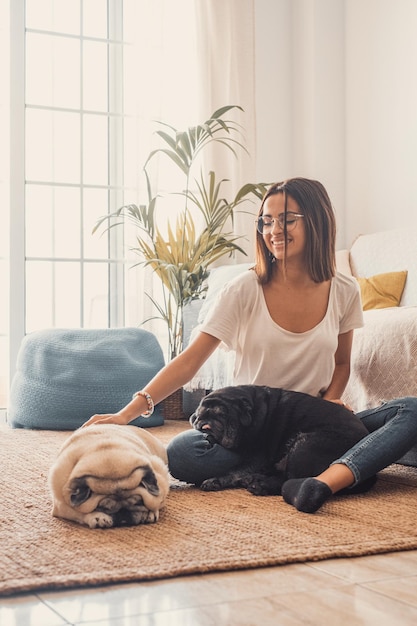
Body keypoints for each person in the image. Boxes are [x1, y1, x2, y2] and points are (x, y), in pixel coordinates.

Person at [84, 177, 417, 513]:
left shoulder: (344, 290)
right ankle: (337, 467)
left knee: (411, 411)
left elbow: (342, 363)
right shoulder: (244, 288)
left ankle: (321, 482)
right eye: (266, 221)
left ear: (317, 220)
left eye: (287, 219)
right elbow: (191, 360)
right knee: (184, 455)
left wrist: (331, 400)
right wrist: (128, 412)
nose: (273, 230)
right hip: (250, 430)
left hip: (314, 423)